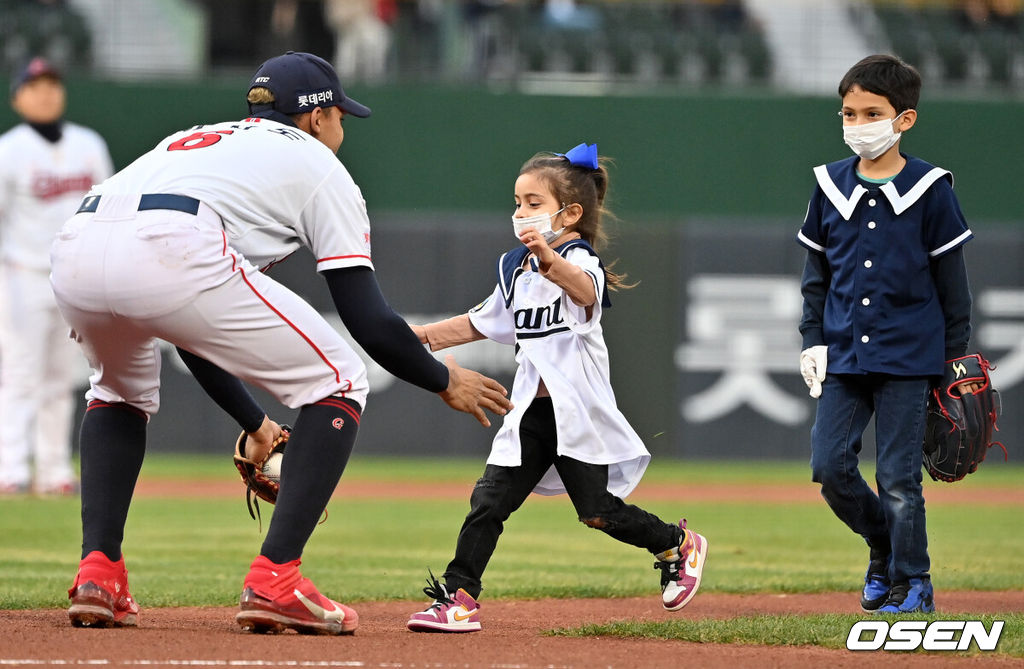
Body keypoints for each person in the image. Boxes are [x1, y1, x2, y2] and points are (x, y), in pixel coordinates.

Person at [51, 51, 512, 634]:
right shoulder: (318, 164)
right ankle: (277, 578)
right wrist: (444, 379)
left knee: (118, 392)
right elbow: (368, 321)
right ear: (317, 118)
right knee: (341, 378)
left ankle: (100, 574)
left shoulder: (196, 140)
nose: (343, 129)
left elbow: (193, 330)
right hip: (171, 241)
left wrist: (255, 420)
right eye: (342, 116)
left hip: (78, 242)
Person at [405, 143, 708, 633]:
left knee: (597, 513)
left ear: (570, 214)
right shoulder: (515, 269)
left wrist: (549, 257)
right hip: (531, 414)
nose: (520, 212)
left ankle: (675, 543)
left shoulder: (579, 261)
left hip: (576, 415)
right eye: (518, 202)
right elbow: (476, 324)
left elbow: (586, 292)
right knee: (487, 503)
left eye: (533, 203)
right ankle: (457, 599)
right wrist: (408, 336)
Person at [797, 54, 976, 615]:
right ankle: (883, 546)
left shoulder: (931, 188)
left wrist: (953, 363)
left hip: (910, 357)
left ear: (905, 119)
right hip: (844, 355)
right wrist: (811, 339)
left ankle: (913, 582)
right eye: (848, 113)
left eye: (871, 112)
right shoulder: (829, 186)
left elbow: (954, 289)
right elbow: (815, 280)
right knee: (830, 469)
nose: (857, 124)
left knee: (899, 478)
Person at [0, 57, 112, 495]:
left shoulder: (89, 143)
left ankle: (54, 470)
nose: (46, 92)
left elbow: (105, 207)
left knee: (61, 380)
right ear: (18, 96)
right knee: (20, 373)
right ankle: (10, 467)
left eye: (52, 84)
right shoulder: (9, 148)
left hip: (75, 278)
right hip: (22, 274)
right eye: (35, 85)